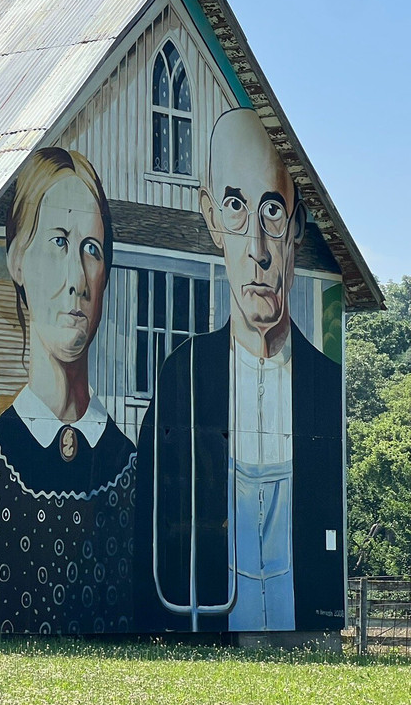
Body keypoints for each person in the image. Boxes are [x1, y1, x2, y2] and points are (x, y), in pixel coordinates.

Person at [134, 108, 343, 633]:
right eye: (235, 207)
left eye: (272, 212)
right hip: (205, 637)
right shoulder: (181, 378)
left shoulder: (327, 388)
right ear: (211, 218)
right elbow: (150, 537)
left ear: (295, 227)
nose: (257, 251)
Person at [0, 147, 135, 635]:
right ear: (18, 261)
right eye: (59, 242)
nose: (77, 278)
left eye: (92, 250)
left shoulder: (133, 472)